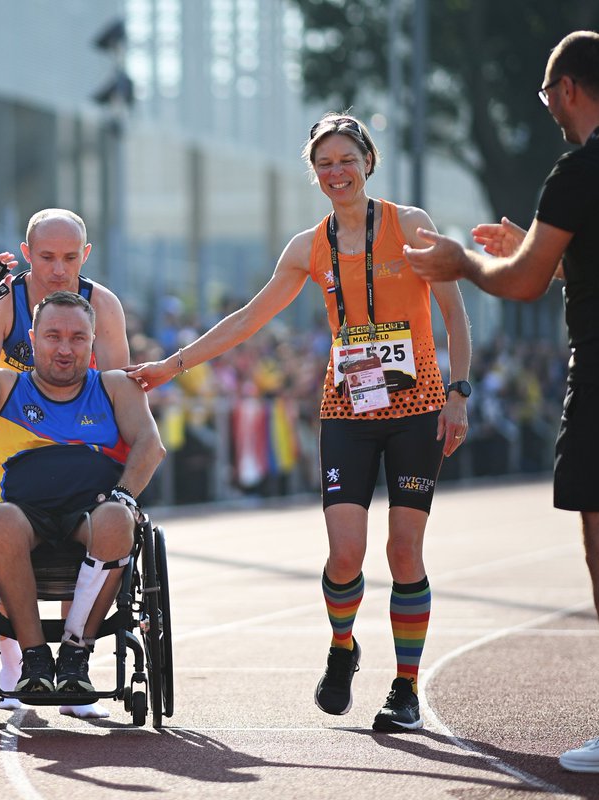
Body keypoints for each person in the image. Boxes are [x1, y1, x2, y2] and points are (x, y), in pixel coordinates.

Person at [402, 31, 599, 774]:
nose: (549, 113)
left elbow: (524, 282)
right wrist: (530, 246)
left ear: (567, 87)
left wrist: (464, 261)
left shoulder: (583, 165)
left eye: (547, 97)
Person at [126, 112, 472, 732]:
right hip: (348, 407)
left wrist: (459, 391)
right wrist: (171, 366)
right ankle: (343, 647)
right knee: (345, 555)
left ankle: (405, 687)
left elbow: (453, 311)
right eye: (324, 164)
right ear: (313, 175)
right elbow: (246, 320)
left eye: (346, 159)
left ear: (368, 162)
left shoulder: (411, 226)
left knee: (402, 550)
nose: (336, 172)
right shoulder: (307, 247)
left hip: (417, 405)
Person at [0, 273, 164, 704]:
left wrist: (125, 494)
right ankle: (35, 658)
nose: (65, 348)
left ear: (93, 342)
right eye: (53, 336)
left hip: (91, 513)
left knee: (119, 516)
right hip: (23, 515)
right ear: (33, 339)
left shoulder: (115, 387)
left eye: (78, 338)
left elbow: (151, 446)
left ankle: (76, 653)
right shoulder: (5, 387)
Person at [0, 208, 130, 717]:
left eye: (70, 258)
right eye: (47, 257)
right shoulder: (4, 304)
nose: (59, 269)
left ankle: (75, 664)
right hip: (10, 442)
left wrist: (114, 473)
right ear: (27, 253)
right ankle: (15, 653)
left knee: (95, 517)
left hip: (77, 443)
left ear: (86, 255)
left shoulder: (102, 304)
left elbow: (120, 390)